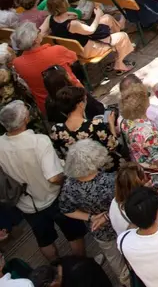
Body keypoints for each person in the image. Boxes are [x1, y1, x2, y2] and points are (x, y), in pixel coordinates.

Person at [0, 101, 87, 262]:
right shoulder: (39, 141)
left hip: (26, 204)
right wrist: (67, 180)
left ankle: (56, 269)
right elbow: (53, 177)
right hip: (53, 196)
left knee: (44, 240)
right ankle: (82, 265)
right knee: (74, 233)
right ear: (25, 119)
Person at [10, 23, 79, 113]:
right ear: (35, 40)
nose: (40, 32)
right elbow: (74, 58)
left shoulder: (17, 63)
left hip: (47, 106)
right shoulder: (56, 50)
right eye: (38, 31)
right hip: (73, 98)